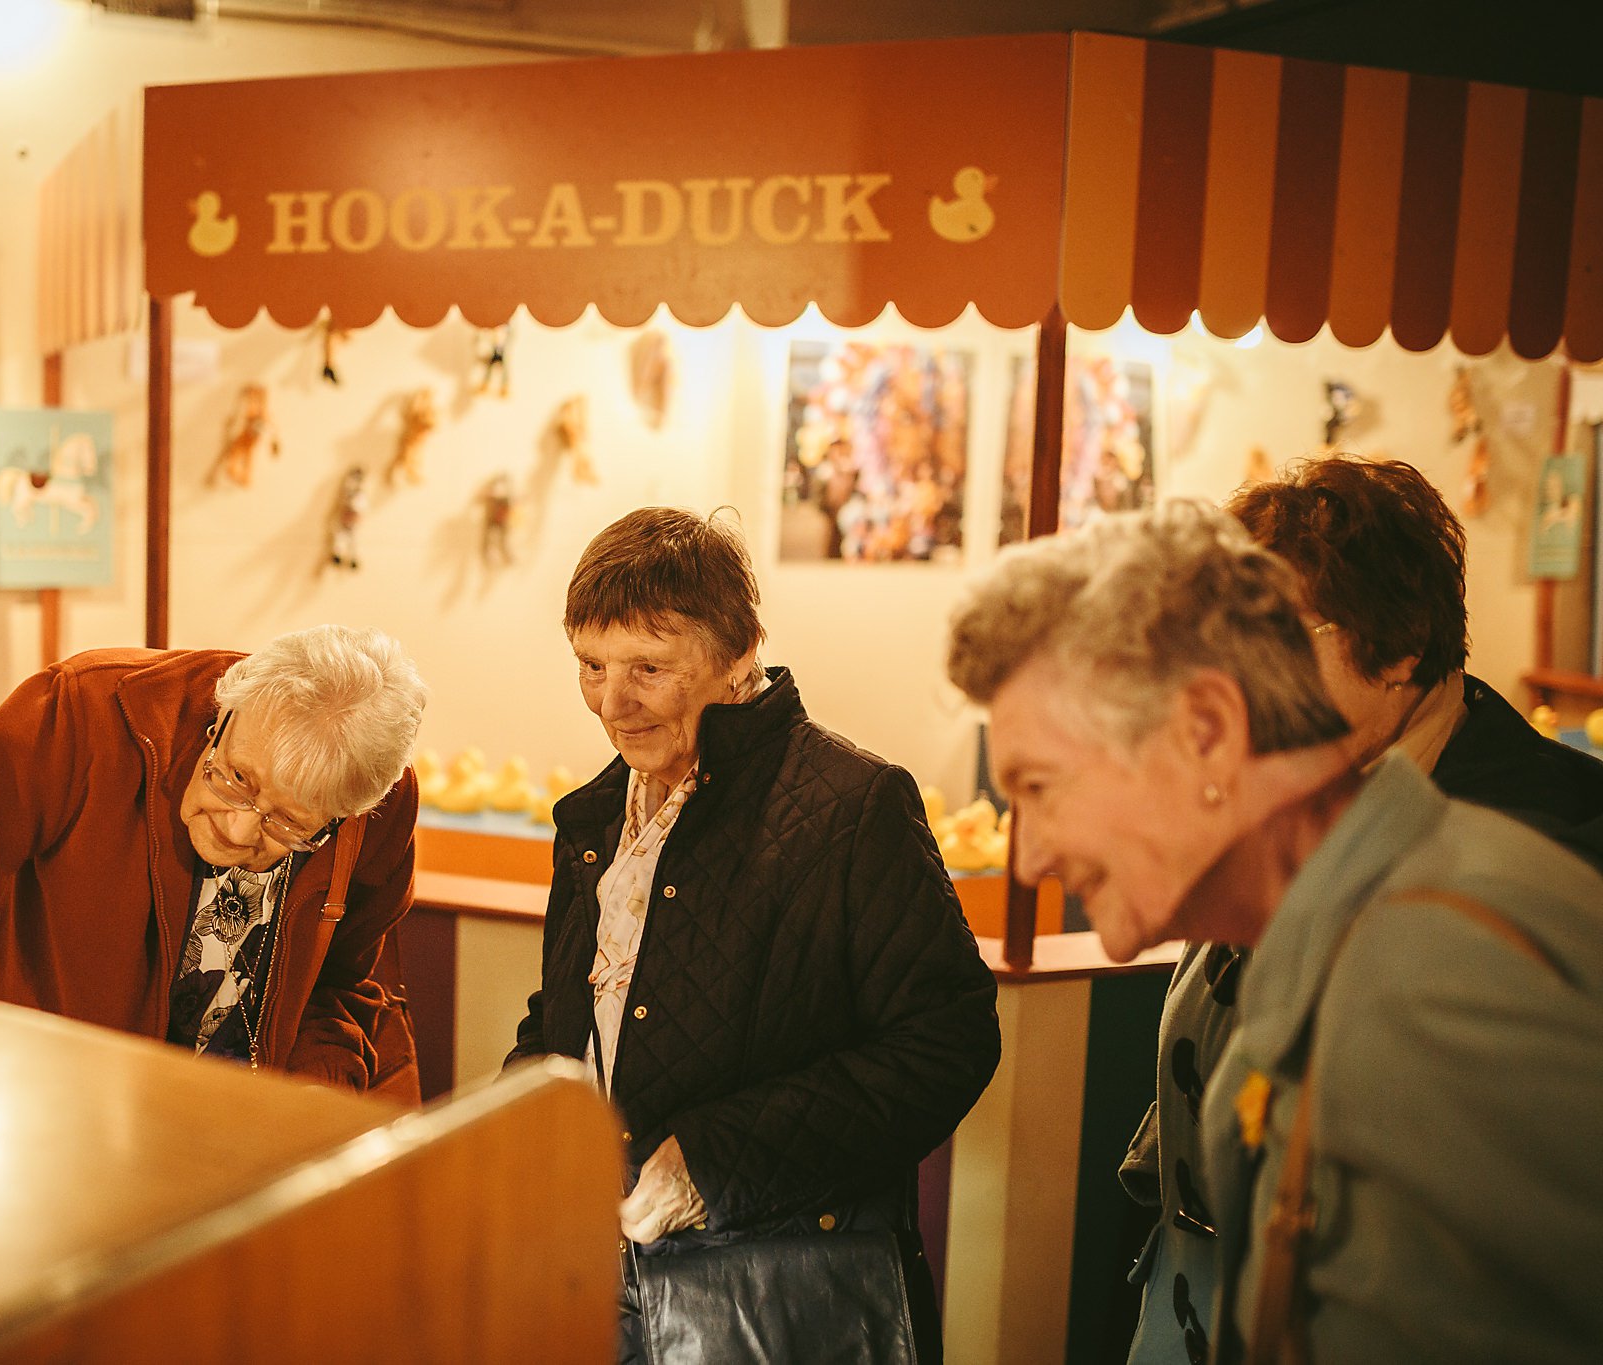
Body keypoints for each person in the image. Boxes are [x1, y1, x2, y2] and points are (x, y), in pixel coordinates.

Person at [948, 502, 1603, 1364]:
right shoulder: (1344, 942)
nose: (1025, 857)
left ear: (1209, 733)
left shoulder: (1427, 981)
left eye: (1041, 785)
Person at [510, 507, 1000, 1363]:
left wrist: (712, 1162)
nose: (612, 705)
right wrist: (526, 1117)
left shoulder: (855, 806)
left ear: (740, 654)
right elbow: (570, 1011)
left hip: (777, 1297)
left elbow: (947, 1043)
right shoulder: (594, 814)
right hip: (601, 1284)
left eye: (648, 668)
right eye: (590, 665)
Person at [0, 624, 428, 1099]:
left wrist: (313, 1086)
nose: (240, 827)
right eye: (233, 776)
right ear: (224, 713)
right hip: (8, 1109)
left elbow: (346, 980)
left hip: (214, 1139)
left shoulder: (379, 810)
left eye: (287, 824)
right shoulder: (92, 715)